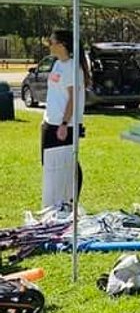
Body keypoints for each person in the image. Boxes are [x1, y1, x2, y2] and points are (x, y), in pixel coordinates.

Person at [41, 28, 90, 204]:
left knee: (67, 164)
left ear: (62, 45)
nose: (50, 46)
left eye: (52, 42)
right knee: (50, 164)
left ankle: (69, 200)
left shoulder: (73, 68)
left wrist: (63, 123)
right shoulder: (57, 64)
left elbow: (73, 99)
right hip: (50, 122)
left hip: (64, 125)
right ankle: (55, 201)